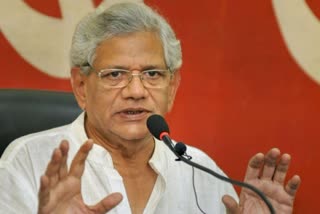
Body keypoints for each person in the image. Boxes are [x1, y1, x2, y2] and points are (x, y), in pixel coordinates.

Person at [0, 2, 300, 214]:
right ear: (81, 86)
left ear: (172, 87)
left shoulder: (202, 172)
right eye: (115, 74)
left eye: (152, 74)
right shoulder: (28, 163)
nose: (136, 91)